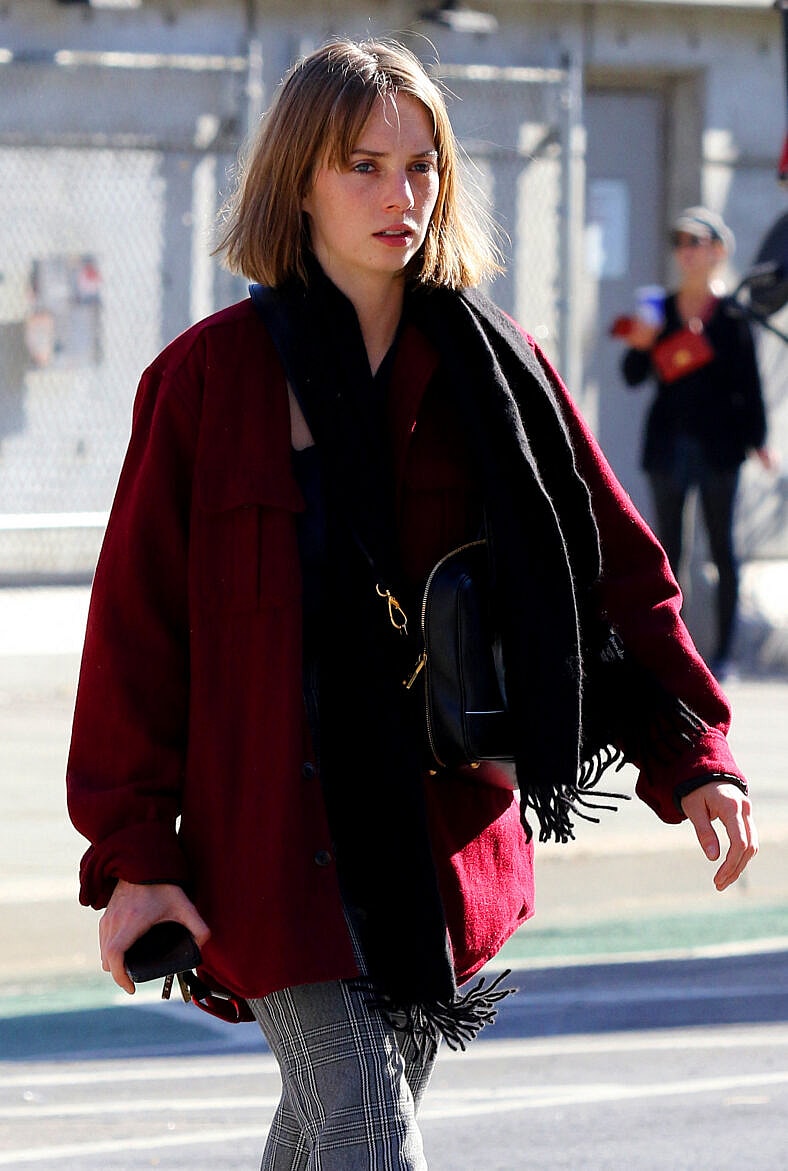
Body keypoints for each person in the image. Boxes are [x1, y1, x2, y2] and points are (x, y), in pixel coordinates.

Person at [67, 43, 758, 1170]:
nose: (402, 196)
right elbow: (137, 636)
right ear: (298, 180)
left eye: (422, 165)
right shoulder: (204, 383)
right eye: (362, 166)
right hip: (267, 842)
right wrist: (137, 856)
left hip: (435, 838)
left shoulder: (503, 374)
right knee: (370, 1133)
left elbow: (615, 579)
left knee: (329, 1134)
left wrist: (693, 753)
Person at [618, 206, 774, 681]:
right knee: (668, 552)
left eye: (696, 241)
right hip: (669, 447)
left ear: (718, 251)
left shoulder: (730, 315)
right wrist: (642, 344)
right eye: (680, 242)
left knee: (721, 550)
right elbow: (631, 376)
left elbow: (749, 384)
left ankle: (721, 657)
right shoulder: (658, 309)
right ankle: (674, 652)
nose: (686, 251)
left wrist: (758, 440)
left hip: (719, 449)